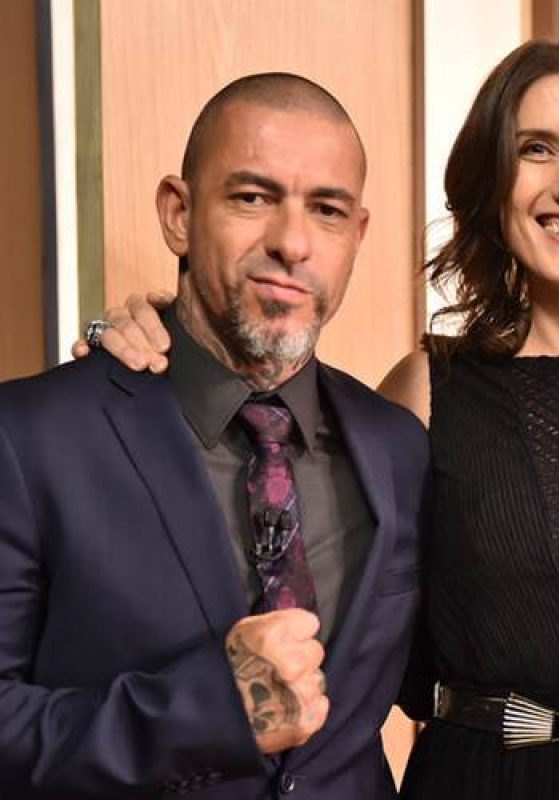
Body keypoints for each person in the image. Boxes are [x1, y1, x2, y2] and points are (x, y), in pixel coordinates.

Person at [85, 40, 559, 799]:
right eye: (534, 149)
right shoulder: (424, 390)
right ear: (491, 184)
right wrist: (158, 339)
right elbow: (276, 535)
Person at [0, 73, 428, 798]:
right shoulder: (28, 437)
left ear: (356, 236)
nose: (292, 243)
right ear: (179, 214)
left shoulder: (399, 447)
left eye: (326, 210)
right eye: (253, 198)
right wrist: (201, 714)